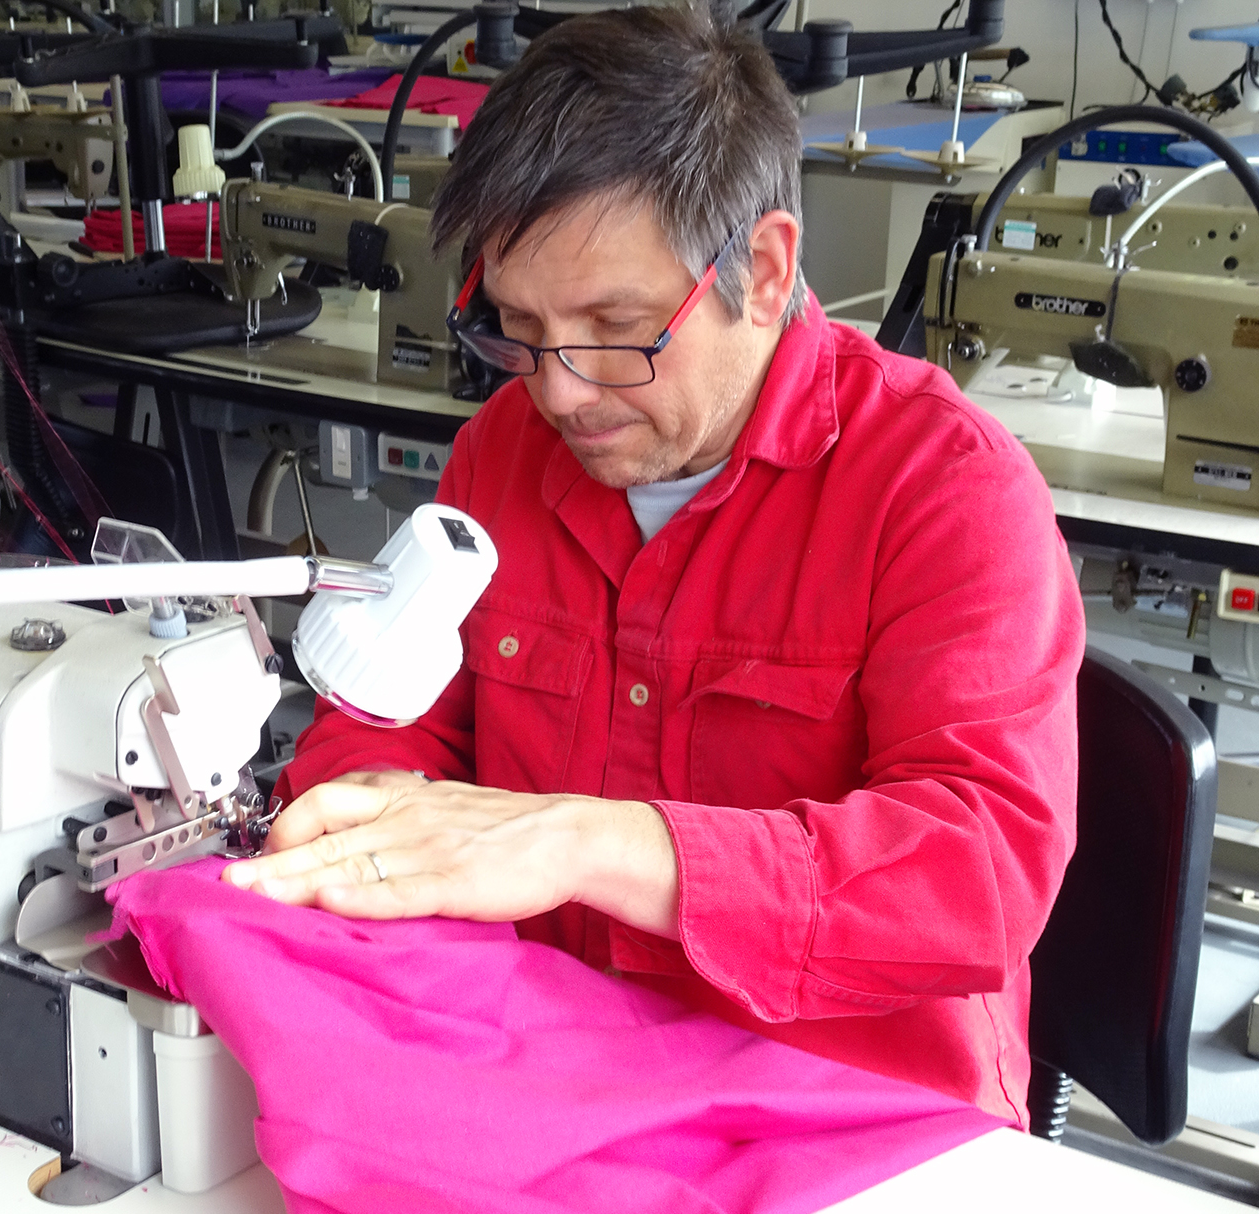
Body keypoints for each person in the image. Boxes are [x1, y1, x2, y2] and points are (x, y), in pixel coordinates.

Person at [223, 5, 1085, 1126]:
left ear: (763, 272)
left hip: (842, 1115)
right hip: (544, 1071)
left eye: (614, 328)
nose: (560, 390)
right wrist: (353, 804)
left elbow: (975, 876)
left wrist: (593, 840)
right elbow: (395, 715)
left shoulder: (943, 489)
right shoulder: (503, 453)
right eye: (518, 329)